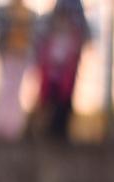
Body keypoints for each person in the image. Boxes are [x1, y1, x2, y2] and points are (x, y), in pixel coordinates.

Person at [34, 0, 91, 142]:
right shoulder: (60, 12)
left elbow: (83, 34)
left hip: (67, 72)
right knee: (48, 101)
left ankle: (60, 132)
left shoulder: (76, 11)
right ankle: (46, 131)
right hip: (52, 75)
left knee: (64, 101)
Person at [0, 0, 37, 141]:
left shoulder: (29, 14)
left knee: (13, 91)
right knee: (7, 89)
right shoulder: (5, 12)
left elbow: (32, 37)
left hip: (20, 55)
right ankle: (0, 125)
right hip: (10, 54)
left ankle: (11, 127)